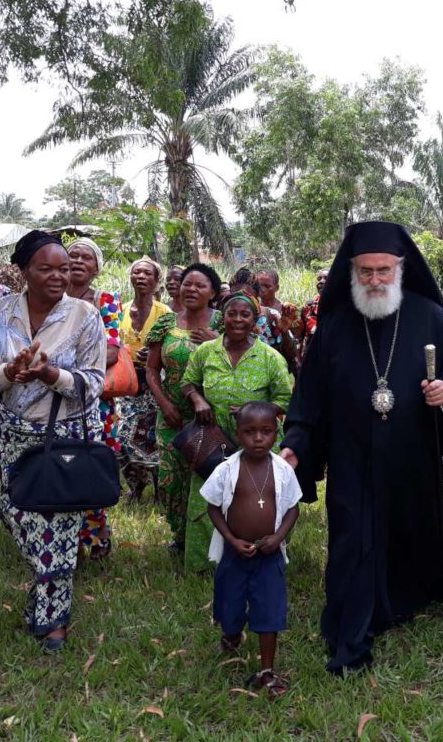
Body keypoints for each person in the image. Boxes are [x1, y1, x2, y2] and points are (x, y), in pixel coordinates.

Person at [280, 221, 443, 675]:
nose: (375, 280)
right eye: (366, 271)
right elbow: (310, 399)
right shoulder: (334, 328)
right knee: (352, 540)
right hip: (352, 458)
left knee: (410, 528)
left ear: (400, 269)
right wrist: (296, 445)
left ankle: (405, 600)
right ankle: (351, 633)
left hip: (413, 455)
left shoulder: (428, 315)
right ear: (351, 272)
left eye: (384, 270)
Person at [0, 230, 105, 652]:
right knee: (20, 518)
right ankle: (45, 601)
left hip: (63, 435)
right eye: (46, 269)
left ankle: (54, 624)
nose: (58, 276)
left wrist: (51, 375)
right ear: (23, 270)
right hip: (14, 435)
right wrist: (9, 373)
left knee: (60, 529)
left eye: (64, 269)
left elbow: (95, 383)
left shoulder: (85, 316)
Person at [181, 292, 292, 573]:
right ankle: (205, 565)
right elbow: (188, 382)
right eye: (232, 313)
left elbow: (286, 399)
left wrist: (253, 410)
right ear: (223, 317)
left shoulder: (269, 357)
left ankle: (262, 557)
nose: (238, 320)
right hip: (212, 439)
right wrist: (198, 399)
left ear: (255, 320)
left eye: (246, 315)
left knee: (258, 498)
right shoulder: (206, 351)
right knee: (210, 497)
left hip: (257, 441)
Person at [201, 401, 301, 698]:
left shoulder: (282, 470)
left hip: (268, 555)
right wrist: (232, 540)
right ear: (238, 432)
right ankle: (231, 633)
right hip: (235, 554)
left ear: (276, 432)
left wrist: (278, 537)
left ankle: (267, 670)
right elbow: (213, 506)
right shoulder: (227, 469)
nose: (258, 438)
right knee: (230, 606)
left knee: (269, 609)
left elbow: (293, 508)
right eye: (249, 432)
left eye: (266, 431)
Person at [146, 263, 223, 564]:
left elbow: (245, 355)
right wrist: (165, 403)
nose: (191, 289)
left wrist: (217, 341)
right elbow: (152, 369)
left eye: (199, 285)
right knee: (171, 480)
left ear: (213, 293)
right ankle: (180, 537)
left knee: (207, 478)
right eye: (187, 284)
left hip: (210, 417)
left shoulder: (224, 324)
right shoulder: (166, 324)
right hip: (172, 415)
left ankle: (207, 540)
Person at [66, 237, 121, 558]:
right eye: (72, 255)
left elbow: (112, 350)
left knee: (94, 464)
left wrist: (65, 367)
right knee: (62, 463)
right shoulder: (50, 299)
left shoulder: (105, 300)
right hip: (53, 400)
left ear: (96, 268)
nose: (77, 261)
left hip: (94, 400)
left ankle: (98, 532)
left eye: (85, 257)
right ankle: (66, 537)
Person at [119, 256, 172, 501]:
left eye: (147, 274)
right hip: (127, 380)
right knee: (123, 433)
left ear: (156, 281)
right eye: (137, 272)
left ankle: (160, 488)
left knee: (153, 433)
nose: (141, 277)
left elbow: (172, 346)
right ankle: (135, 486)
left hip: (154, 380)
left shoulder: (164, 313)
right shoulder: (122, 309)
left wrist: (154, 353)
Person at [298, 269, 328, 361]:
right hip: (311, 359)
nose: (321, 281)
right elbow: (301, 335)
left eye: (326, 278)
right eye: (319, 278)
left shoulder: (341, 307)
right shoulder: (309, 306)